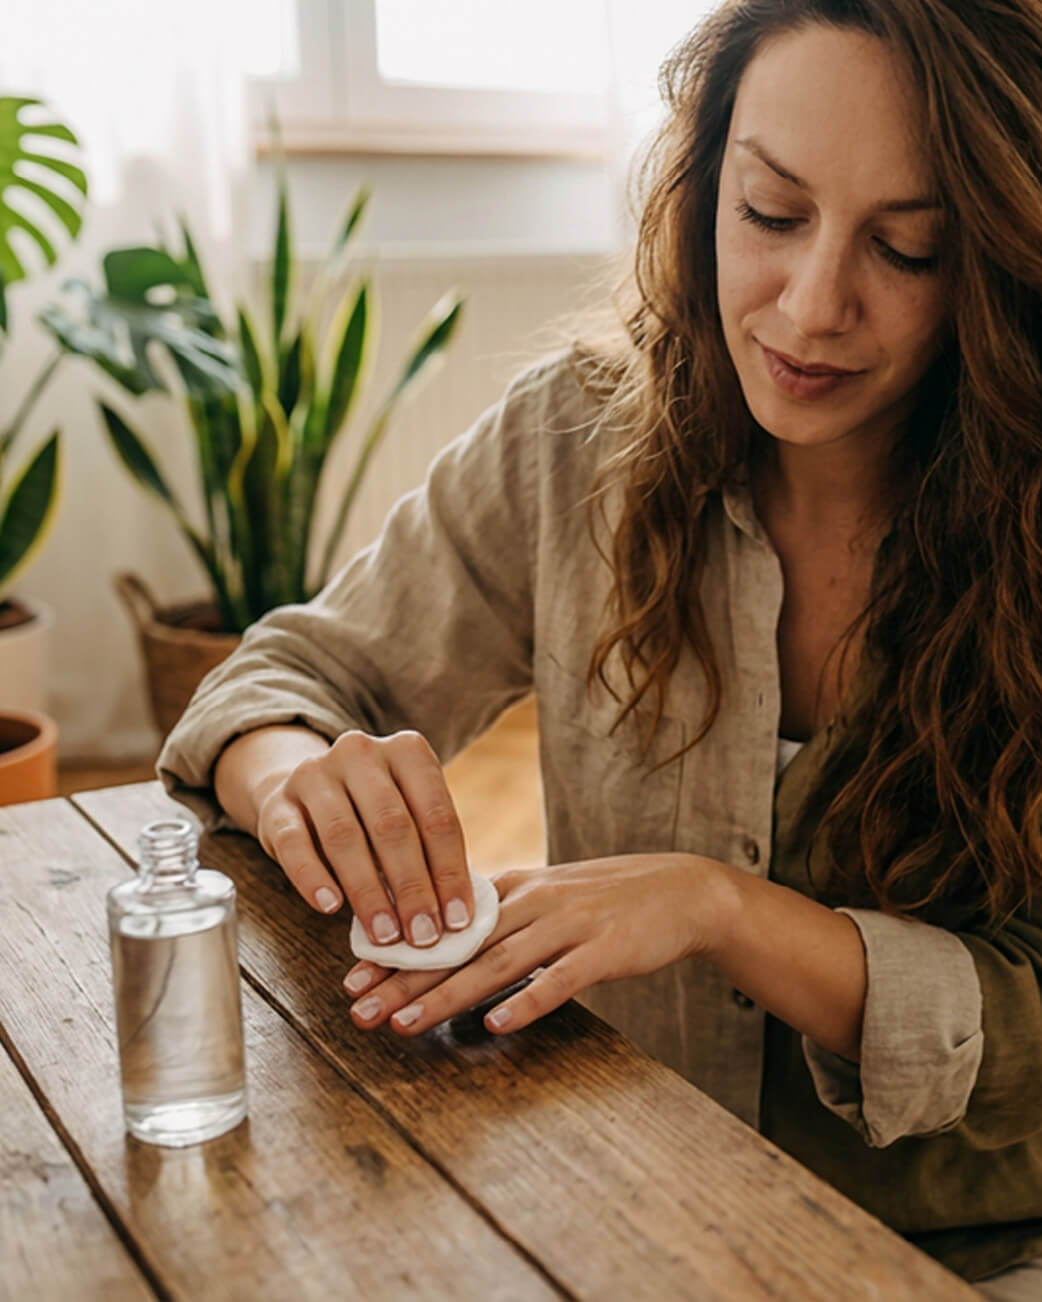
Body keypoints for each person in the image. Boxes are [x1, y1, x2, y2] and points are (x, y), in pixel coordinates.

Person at [158, 0, 1042, 1293]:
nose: (809, 305)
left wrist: (719, 907)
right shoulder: (574, 439)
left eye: (904, 249)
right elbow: (276, 679)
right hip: (624, 1210)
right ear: (700, 193)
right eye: (770, 213)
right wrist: (297, 773)